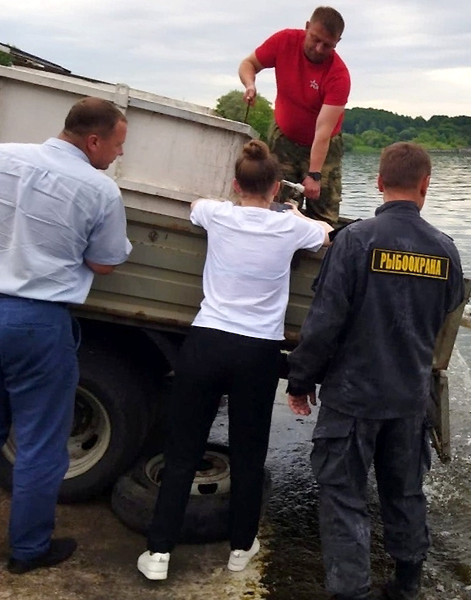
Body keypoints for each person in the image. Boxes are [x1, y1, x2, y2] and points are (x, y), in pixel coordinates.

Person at [137, 139, 333, 581]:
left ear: (235, 184)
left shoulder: (217, 213)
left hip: (206, 342)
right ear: (275, 189)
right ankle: (240, 548)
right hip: (257, 351)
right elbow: (323, 233)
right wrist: (291, 210)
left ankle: (159, 553)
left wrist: (237, 200)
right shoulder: (288, 228)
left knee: (183, 449)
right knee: (249, 453)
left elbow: (195, 206)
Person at [286, 142, 465, 600]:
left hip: (353, 397)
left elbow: (324, 323)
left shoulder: (355, 240)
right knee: (405, 493)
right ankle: (407, 585)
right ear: (426, 185)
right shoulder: (445, 251)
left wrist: (301, 380)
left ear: (379, 183)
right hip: (408, 398)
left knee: (343, 497)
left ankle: (352, 592)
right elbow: (445, 313)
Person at [0, 97, 132, 574]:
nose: (118, 155)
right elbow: (106, 262)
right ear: (94, 140)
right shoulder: (98, 190)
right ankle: (28, 551)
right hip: (36, 321)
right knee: (39, 443)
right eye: (117, 145)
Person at [239, 6, 350, 225]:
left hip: (323, 148)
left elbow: (323, 131)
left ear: (337, 43)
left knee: (323, 215)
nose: (318, 49)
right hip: (283, 139)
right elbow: (248, 64)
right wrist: (250, 84)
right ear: (307, 27)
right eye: (315, 39)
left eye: (327, 45)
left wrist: (314, 175)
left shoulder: (338, 76)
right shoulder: (284, 41)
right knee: (276, 206)